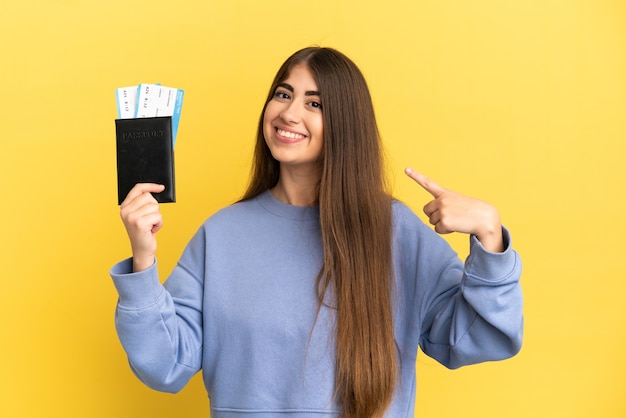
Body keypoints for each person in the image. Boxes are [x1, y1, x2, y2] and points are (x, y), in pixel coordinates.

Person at [110, 46, 523, 418]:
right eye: (283, 94)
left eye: (315, 103)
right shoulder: (220, 235)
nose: (289, 113)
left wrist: (490, 236)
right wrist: (143, 260)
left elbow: (479, 339)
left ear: (345, 124)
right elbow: (165, 365)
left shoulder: (395, 232)